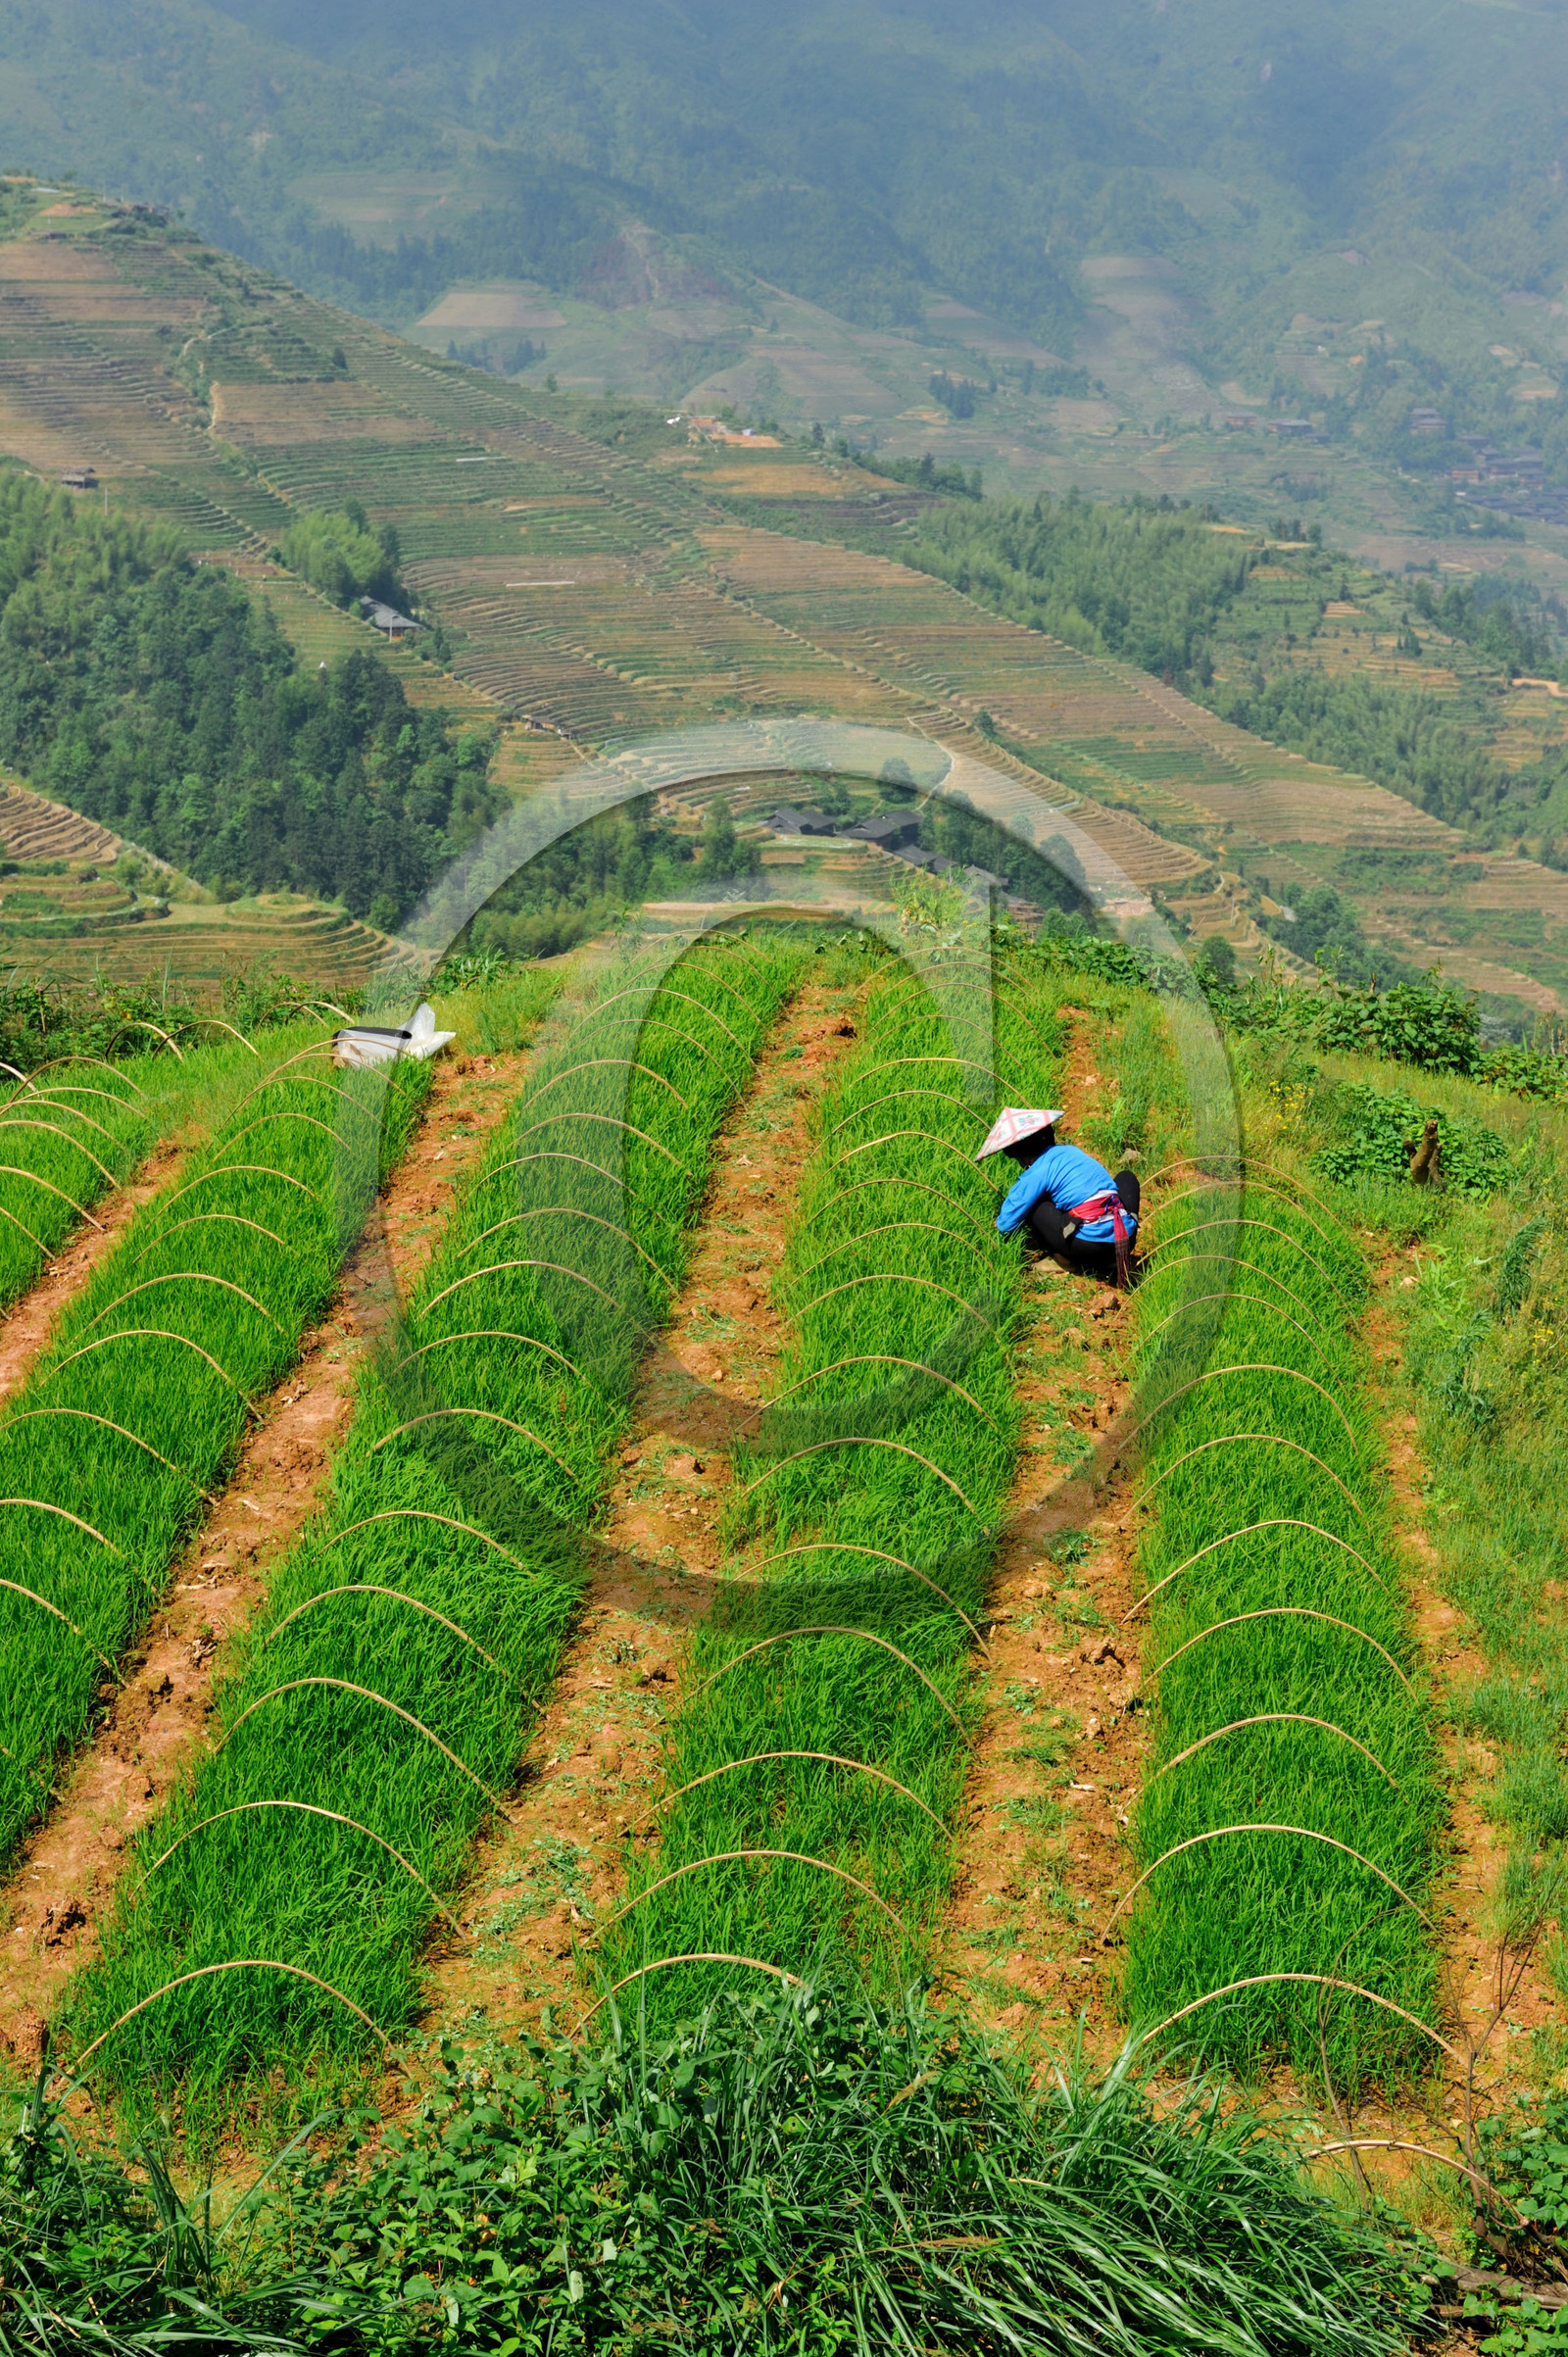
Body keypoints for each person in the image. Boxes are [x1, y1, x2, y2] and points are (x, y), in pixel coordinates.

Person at [976, 1106, 1140, 1286]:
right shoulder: (1071, 1151)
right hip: (1125, 1239)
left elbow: (1006, 1222)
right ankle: (1117, 1245)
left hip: (1089, 1247)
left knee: (1033, 1206)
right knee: (1126, 1177)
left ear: (1015, 1154)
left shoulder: (1037, 1172)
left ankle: (1066, 1260)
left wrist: (994, 1235)